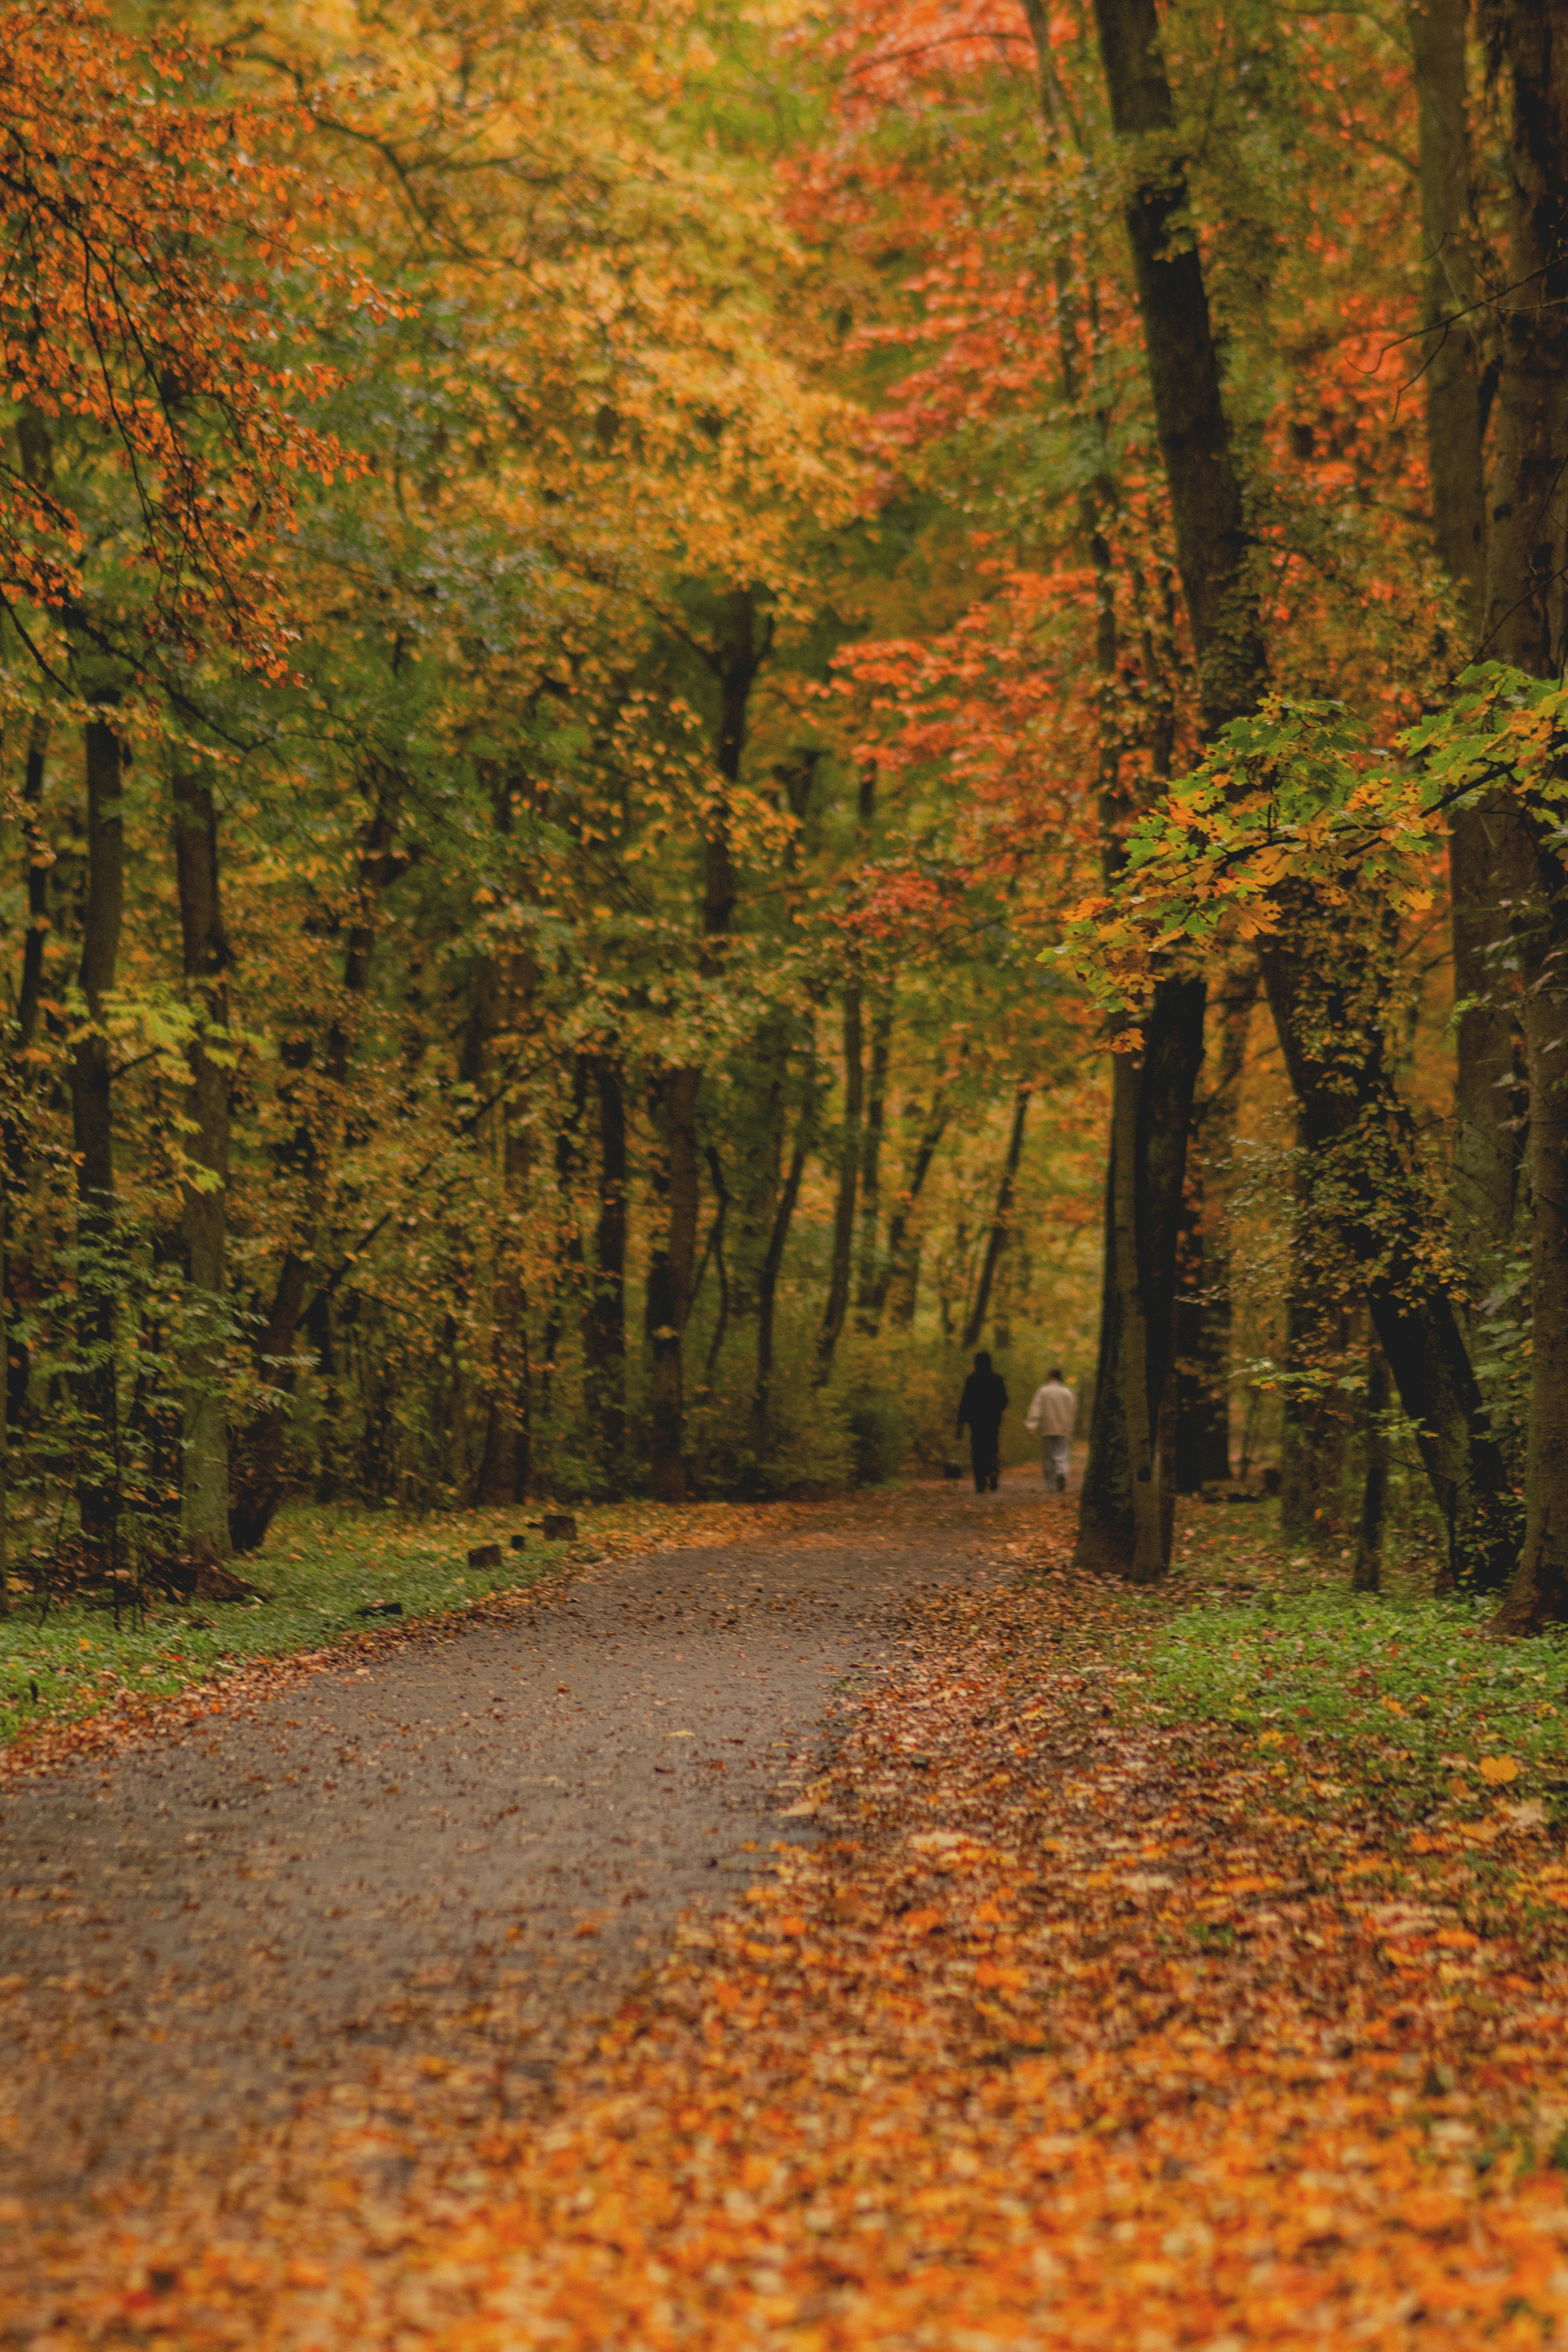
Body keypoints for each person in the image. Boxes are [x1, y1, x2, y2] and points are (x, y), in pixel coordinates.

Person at [956, 1352, 1008, 1493]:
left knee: (978, 1450)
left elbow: (965, 1402)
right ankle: (993, 1471)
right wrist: (996, 1411)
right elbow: (1004, 1401)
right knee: (992, 1448)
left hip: (976, 1422)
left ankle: (980, 1482)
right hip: (993, 1421)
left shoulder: (972, 1380)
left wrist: (960, 1424)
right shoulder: (998, 1379)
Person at [1026, 1366, 1075, 1492]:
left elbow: (1036, 1409)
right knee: (1062, 1455)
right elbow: (1073, 1411)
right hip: (1064, 1430)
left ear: (1050, 1376)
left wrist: (1032, 1427)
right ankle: (1061, 1473)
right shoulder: (1067, 1392)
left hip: (1048, 1429)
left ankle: (1052, 1485)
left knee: (1048, 1457)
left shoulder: (1043, 1391)